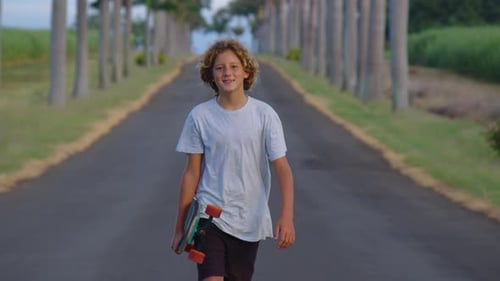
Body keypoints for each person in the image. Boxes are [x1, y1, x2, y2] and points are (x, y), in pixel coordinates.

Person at [171, 39, 295, 281]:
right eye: (220, 68)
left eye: (234, 66)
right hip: (209, 217)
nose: (227, 72)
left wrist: (287, 216)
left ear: (246, 72)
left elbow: (282, 168)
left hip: (249, 219)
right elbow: (191, 174)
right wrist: (180, 228)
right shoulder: (200, 116)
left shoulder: (264, 115)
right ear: (211, 75)